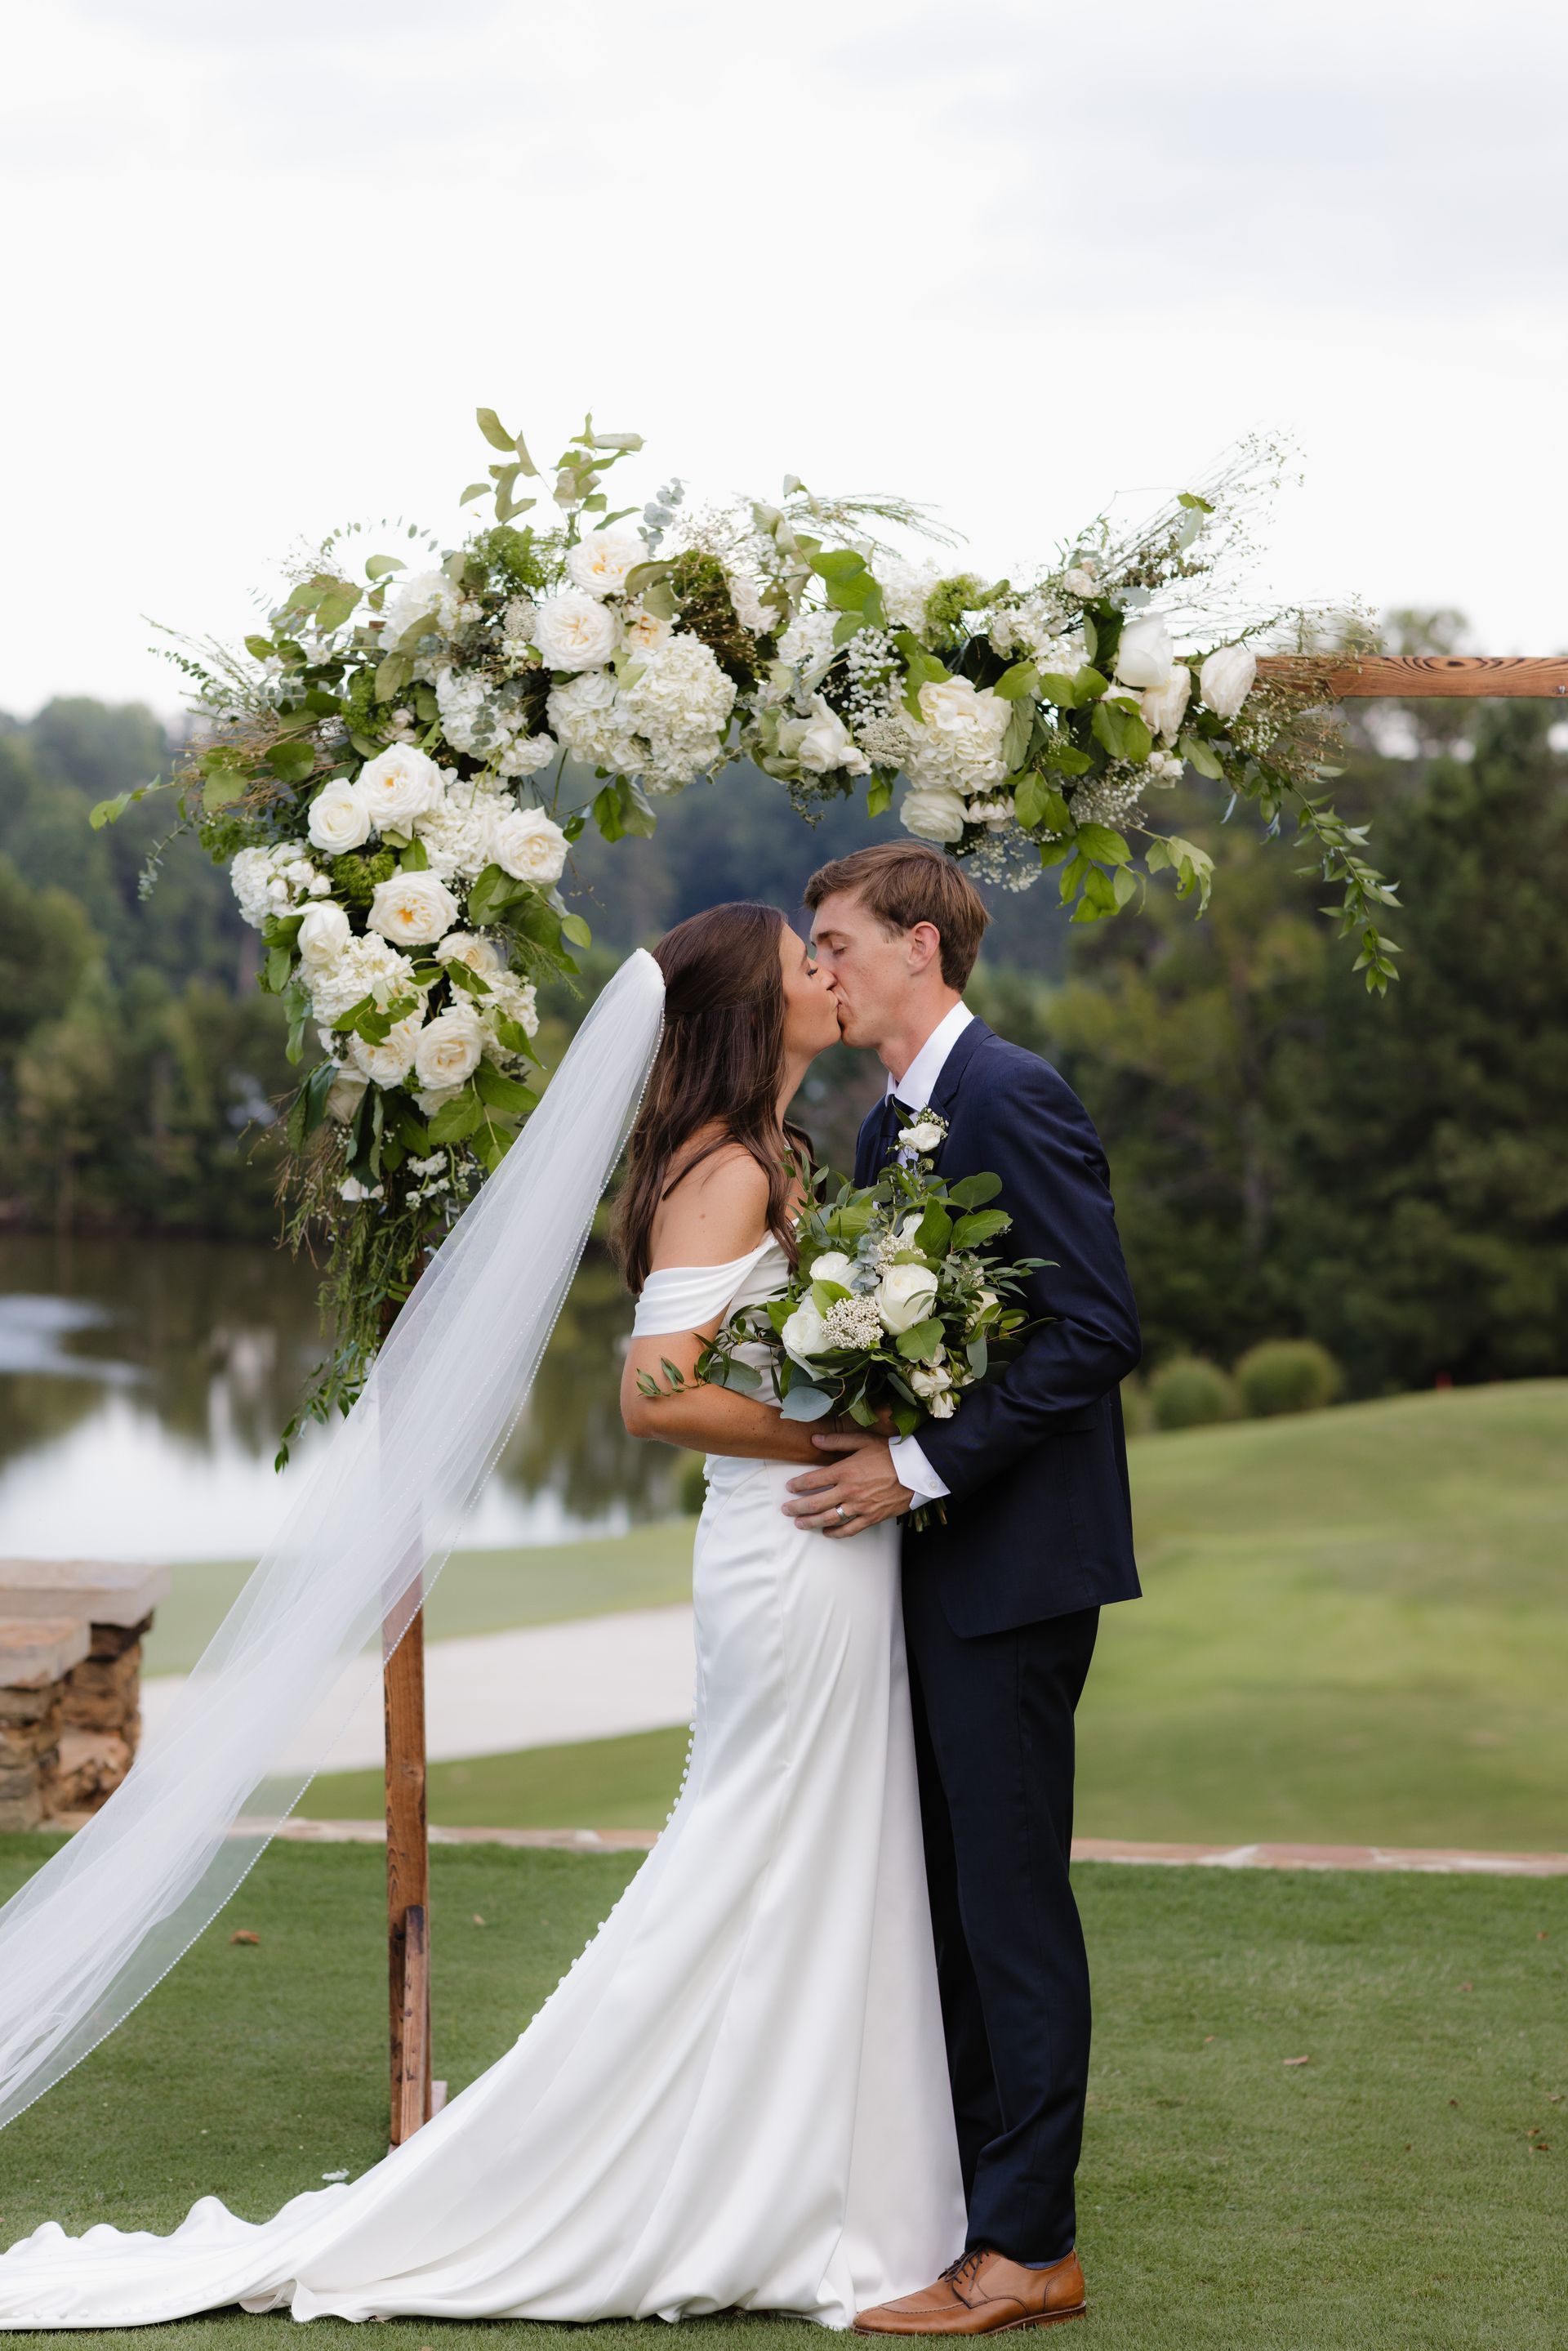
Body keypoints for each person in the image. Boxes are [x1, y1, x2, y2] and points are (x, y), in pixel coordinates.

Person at [0, 903, 964, 2331]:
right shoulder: (725, 1176)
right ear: (744, 1016)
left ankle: (818, 2161)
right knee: (757, 1849)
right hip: (792, 1542)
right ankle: (680, 2168)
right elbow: (653, 1397)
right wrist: (838, 1447)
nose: (828, 978)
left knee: (819, 1848)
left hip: (818, 1548)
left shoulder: (774, 1156)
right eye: (800, 967)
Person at [786, 843, 1141, 2339]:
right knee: (946, 1901)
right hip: (935, 1573)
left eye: (839, 940)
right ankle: (974, 2217)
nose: (821, 968)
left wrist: (917, 1470)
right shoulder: (889, 1128)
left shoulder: (1011, 1095)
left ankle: (1028, 2251)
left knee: (1006, 1908)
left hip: (1010, 1569)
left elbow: (1093, 1329)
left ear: (921, 946)